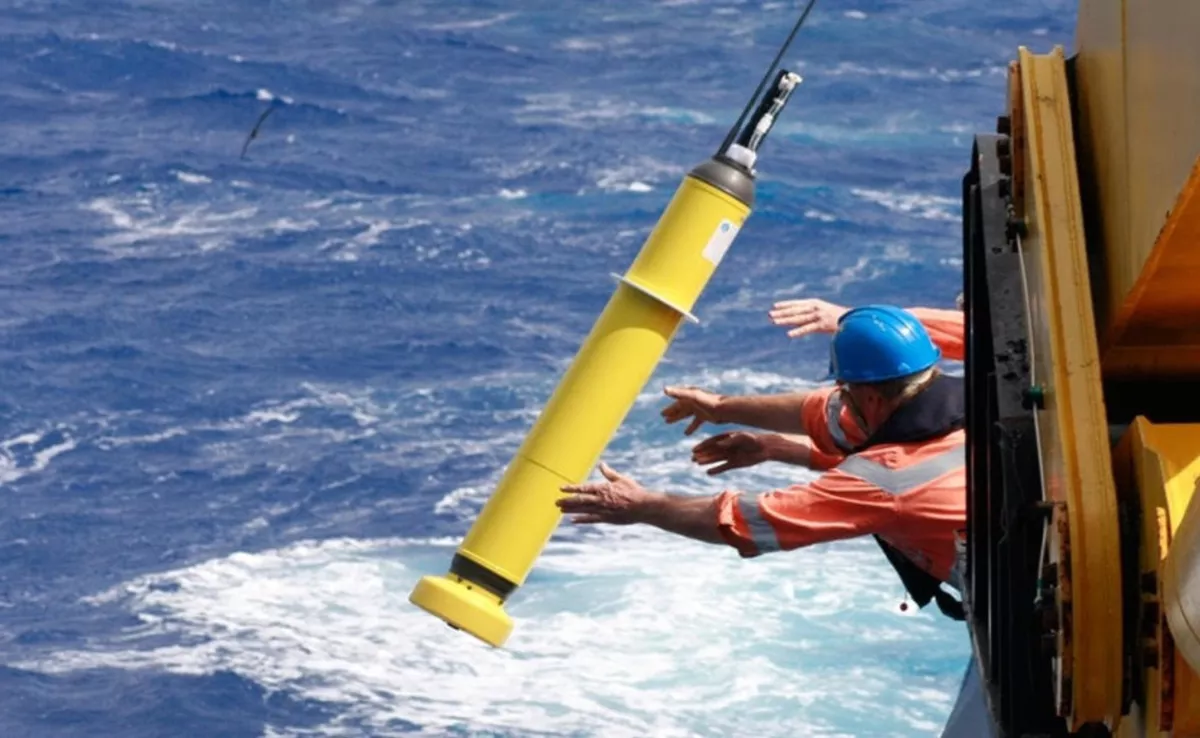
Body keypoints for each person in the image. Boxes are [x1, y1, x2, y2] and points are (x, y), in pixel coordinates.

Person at [556, 303, 995, 737]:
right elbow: (824, 416)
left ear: (871, 396)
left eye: (845, 388)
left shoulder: (884, 479)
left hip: (1014, 615)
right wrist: (729, 413)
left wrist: (644, 506)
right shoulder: (970, 398)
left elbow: (748, 520)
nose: (839, 398)